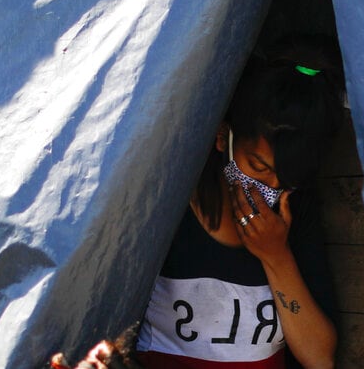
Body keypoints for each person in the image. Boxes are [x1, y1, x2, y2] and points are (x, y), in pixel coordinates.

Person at [51, 37, 343, 369]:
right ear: (223, 137)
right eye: (258, 168)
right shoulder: (168, 208)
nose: (270, 187)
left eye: (286, 178)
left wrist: (276, 256)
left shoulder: (293, 215)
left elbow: (319, 357)